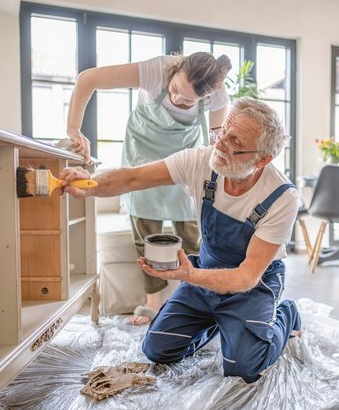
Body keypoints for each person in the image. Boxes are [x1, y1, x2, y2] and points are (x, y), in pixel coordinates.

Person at [61, 97, 301, 383]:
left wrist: (189, 275)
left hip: (254, 284)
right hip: (207, 270)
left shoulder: (282, 197)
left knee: (244, 368)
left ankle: (287, 314)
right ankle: (218, 322)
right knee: (157, 349)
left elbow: (247, 276)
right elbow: (134, 178)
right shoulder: (202, 161)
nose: (220, 143)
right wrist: (90, 184)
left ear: (262, 159)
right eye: (222, 131)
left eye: (234, 142)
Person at [65, 52, 232, 325]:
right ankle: (152, 300)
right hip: (143, 151)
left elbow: (216, 144)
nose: (178, 99)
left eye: (189, 100)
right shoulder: (155, 71)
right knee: (146, 231)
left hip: (184, 157)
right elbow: (88, 79)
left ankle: (197, 300)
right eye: (176, 90)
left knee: (191, 234)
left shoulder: (217, 95)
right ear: (175, 71)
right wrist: (74, 128)